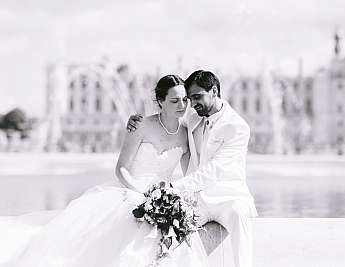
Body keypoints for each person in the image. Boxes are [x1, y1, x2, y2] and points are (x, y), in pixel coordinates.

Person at [1, 75, 209, 267]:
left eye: (184, 100)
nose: (182, 105)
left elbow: (191, 171)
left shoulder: (185, 133)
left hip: (162, 196)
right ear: (160, 101)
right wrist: (144, 194)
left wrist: (177, 198)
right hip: (131, 190)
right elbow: (121, 169)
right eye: (174, 101)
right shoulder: (141, 126)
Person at [127, 70, 258, 267]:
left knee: (240, 215)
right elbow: (166, 119)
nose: (192, 103)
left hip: (228, 198)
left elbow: (214, 170)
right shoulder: (193, 118)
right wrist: (139, 121)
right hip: (197, 201)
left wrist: (171, 189)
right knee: (165, 241)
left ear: (214, 91)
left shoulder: (237, 127)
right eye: (190, 98)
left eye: (197, 97)